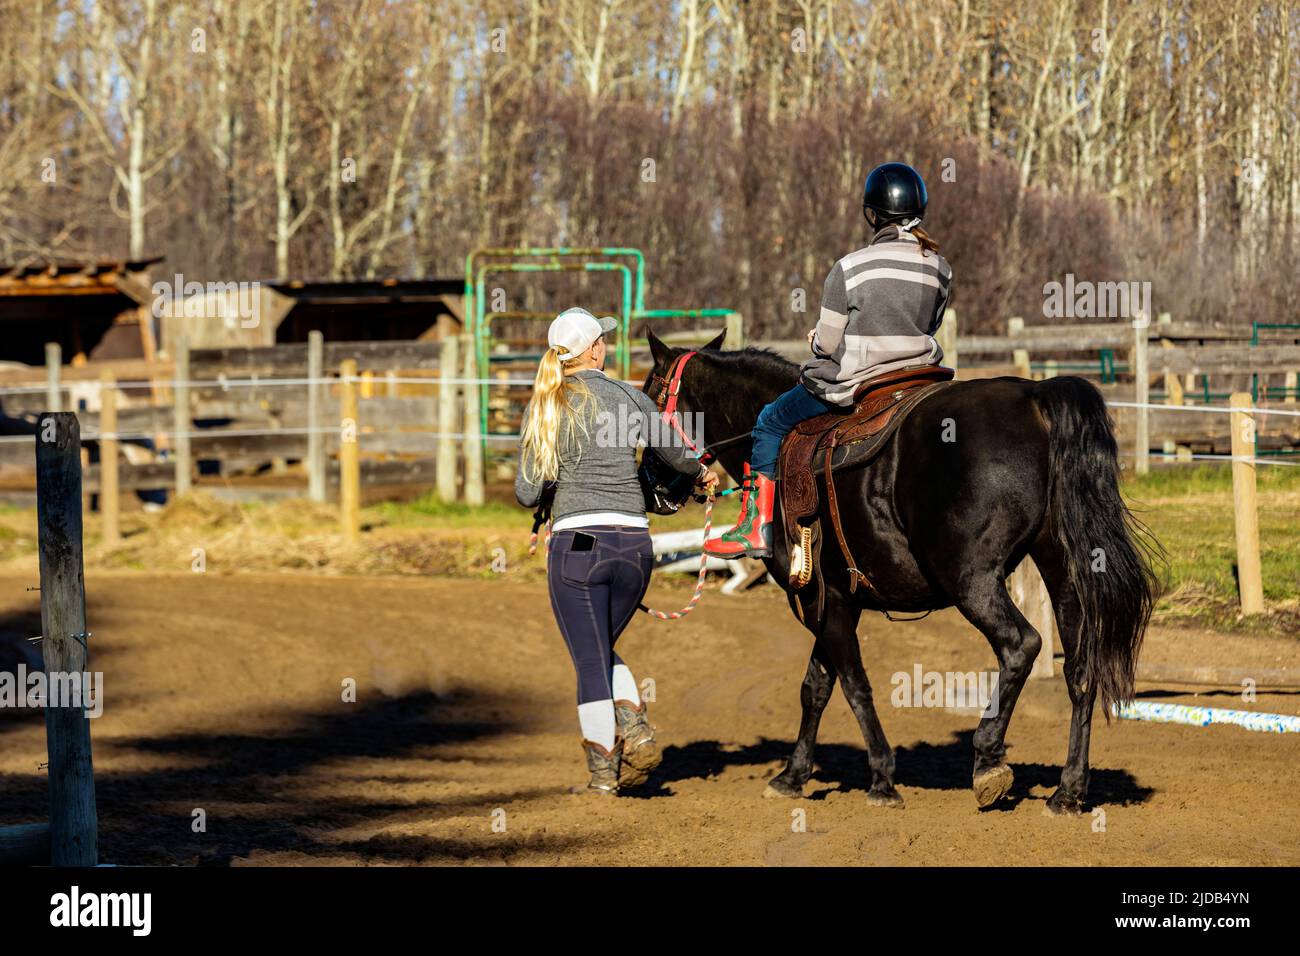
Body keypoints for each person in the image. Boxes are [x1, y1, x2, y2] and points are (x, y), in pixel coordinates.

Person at [516, 307, 719, 794]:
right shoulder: (630, 396)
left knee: (589, 660)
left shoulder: (545, 404)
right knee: (598, 649)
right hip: (634, 546)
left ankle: (605, 775)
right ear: (594, 350)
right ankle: (631, 719)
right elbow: (675, 454)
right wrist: (703, 474)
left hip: (576, 551)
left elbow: (527, 492)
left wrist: (554, 478)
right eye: (602, 339)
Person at [704, 161, 952, 559]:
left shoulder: (849, 268)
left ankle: (755, 527)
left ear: (872, 213)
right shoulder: (940, 268)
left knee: (769, 421)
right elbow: (929, 325)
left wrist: (816, 339)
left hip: (859, 383)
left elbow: (826, 344)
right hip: (919, 381)